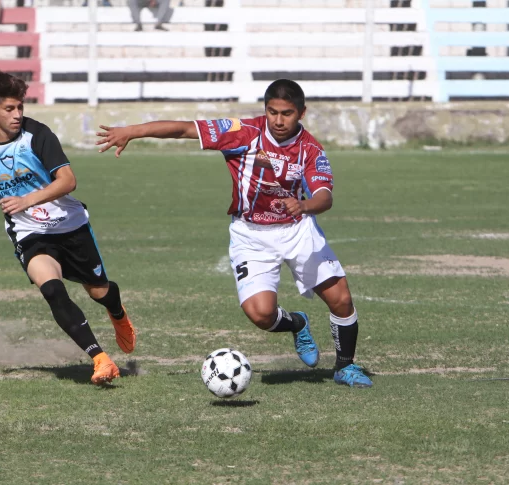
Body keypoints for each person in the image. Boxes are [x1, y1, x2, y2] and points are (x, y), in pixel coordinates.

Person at [95, 79, 372, 388]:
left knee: (342, 300)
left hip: (298, 230)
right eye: (272, 112)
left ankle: (345, 366)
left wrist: (305, 205)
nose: (279, 120)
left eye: (287, 113)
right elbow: (185, 129)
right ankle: (297, 323)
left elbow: (325, 196)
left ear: (302, 113)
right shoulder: (243, 132)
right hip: (250, 234)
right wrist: (132, 131)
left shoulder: (310, 149)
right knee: (261, 315)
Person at [0, 71, 136, 385]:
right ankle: (100, 359)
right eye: (9, 109)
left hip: (70, 226)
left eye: (20, 107)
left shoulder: (38, 135)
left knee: (99, 291)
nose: (18, 115)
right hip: (29, 233)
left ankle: (117, 313)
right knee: (52, 291)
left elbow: (68, 181)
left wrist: (27, 198)